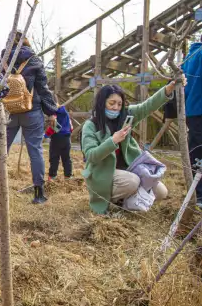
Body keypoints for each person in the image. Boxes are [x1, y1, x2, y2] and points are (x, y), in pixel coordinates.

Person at [81, 82, 181, 214]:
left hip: (129, 169)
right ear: (102, 103)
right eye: (112, 103)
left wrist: (169, 88)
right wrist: (113, 141)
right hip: (103, 173)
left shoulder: (127, 115)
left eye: (119, 104)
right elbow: (91, 156)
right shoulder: (91, 125)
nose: (116, 107)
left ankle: (126, 203)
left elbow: (148, 106)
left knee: (161, 192)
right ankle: (109, 200)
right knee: (132, 181)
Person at [0, 31, 58, 204]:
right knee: (35, 151)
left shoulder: (3, 60)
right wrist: (51, 112)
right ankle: (38, 193)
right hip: (31, 111)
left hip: (8, 112)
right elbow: (43, 89)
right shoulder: (34, 60)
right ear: (26, 42)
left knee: (0, 149)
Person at [182, 37, 202, 209]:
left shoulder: (190, 56)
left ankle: (196, 192)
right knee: (197, 150)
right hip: (198, 108)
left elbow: (184, 87)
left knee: (196, 149)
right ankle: (199, 194)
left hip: (193, 110)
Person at [47, 95, 73, 181]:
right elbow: (71, 127)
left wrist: (45, 136)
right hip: (66, 138)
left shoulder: (54, 113)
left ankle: (52, 176)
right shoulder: (65, 112)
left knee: (54, 157)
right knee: (66, 158)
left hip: (57, 138)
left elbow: (54, 128)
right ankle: (68, 176)